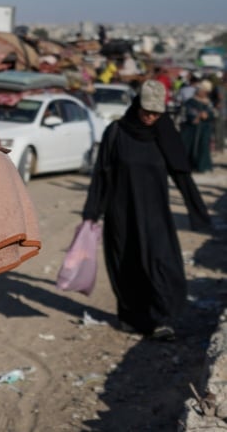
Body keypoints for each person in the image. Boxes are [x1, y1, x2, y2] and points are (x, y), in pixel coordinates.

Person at [82, 79, 211, 341]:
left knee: (161, 263)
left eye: (156, 112)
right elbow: (101, 175)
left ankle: (163, 320)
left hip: (154, 215)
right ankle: (132, 318)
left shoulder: (165, 134)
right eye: (146, 111)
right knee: (127, 264)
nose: (150, 117)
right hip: (121, 213)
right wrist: (91, 213)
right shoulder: (116, 132)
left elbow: (182, 175)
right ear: (136, 105)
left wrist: (198, 212)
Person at [180, 80, 216, 173]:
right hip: (192, 129)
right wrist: (197, 116)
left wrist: (207, 115)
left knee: (203, 146)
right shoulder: (191, 101)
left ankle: (202, 166)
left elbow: (213, 113)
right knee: (190, 147)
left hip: (205, 128)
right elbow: (187, 112)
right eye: (203, 91)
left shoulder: (208, 102)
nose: (205, 93)